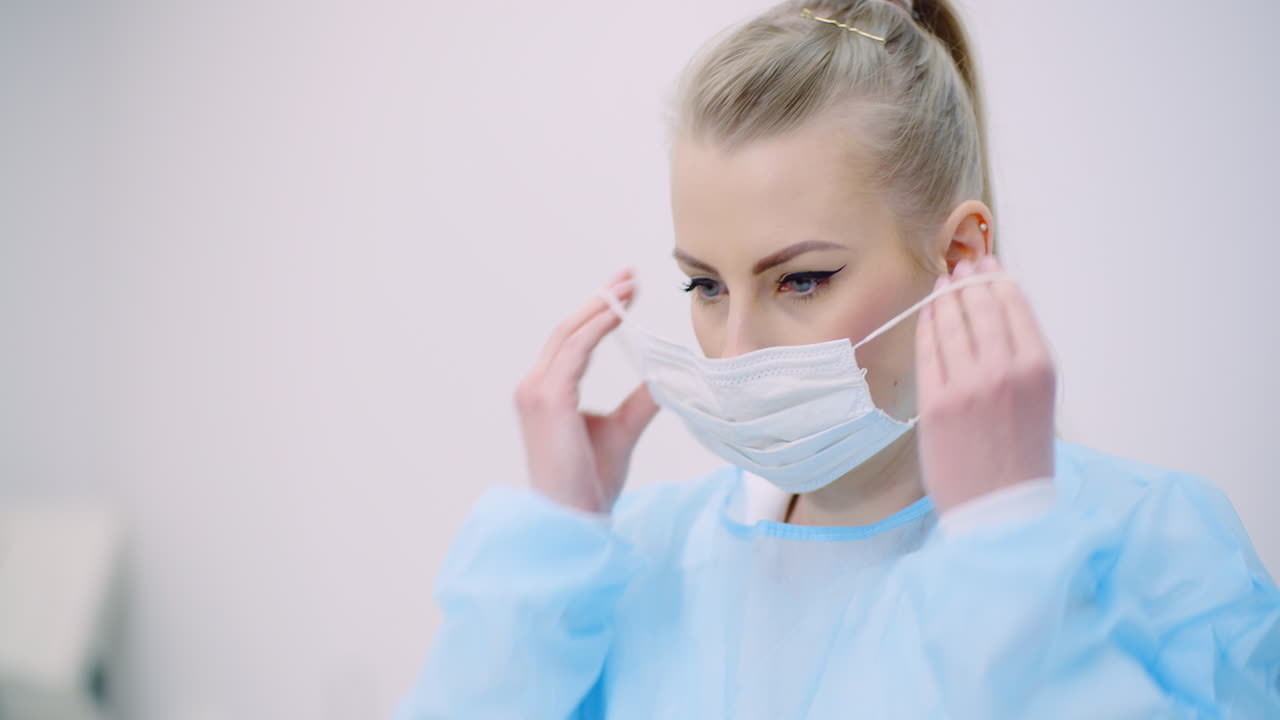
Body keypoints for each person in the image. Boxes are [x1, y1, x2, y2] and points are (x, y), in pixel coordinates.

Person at [394, 1, 1280, 717]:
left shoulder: (1158, 544)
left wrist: (1007, 553)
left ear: (961, 255)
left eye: (802, 281)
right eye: (705, 286)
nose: (735, 352)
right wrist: (556, 545)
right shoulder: (626, 565)